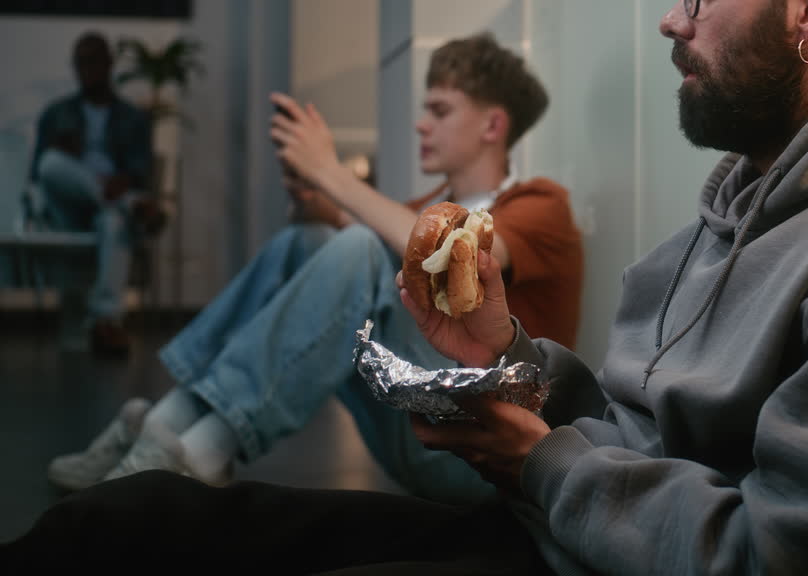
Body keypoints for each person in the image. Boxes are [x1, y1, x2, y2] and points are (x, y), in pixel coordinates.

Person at [2, 0, 808, 575]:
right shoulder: (725, 213)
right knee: (125, 527)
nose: (674, 19)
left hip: (558, 525)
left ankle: (182, 436)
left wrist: (540, 459)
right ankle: (171, 447)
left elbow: (782, 554)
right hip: (549, 520)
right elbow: (630, 434)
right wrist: (506, 355)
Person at [42, 33, 584, 508]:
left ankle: (196, 450)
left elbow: (452, 245)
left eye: (440, 111)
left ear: (492, 124)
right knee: (313, 238)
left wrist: (331, 174)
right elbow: (359, 233)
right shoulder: (420, 205)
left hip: (494, 459)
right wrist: (312, 191)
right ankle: (166, 425)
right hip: (419, 431)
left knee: (356, 246)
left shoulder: (540, 204)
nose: (421, 124)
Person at [27, 32, 165, 354]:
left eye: (94, 62)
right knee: (52, 162)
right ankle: (133, 206)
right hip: (69, 205)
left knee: (115, 223)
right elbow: (39, 172)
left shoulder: (132, 118)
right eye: (81, 63)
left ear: (108, 64)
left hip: (109, 207)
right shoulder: (56, 113)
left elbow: (140, 169)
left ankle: (106, 322)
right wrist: (65, 154)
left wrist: (125, 179)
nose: (87, 69)